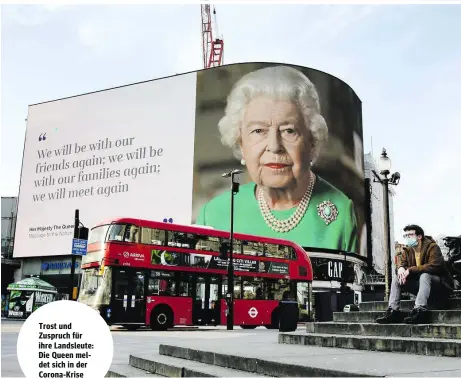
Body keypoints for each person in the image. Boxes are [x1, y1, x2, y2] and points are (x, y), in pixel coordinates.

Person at [196, 65, 358, 252]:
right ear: (241, 143)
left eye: (289, 131)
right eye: (258, 131)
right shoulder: (215, 214)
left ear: (311, 141)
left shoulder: (340, 213)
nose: (274, 146)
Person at [376, 224, 454, 324]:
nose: (408, 238)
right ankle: (393, 311)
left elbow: (435, 266)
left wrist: (411, 270)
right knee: (397, 277)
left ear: (419, 236)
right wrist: (400, 268)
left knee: (425, 275)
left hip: (439, 287)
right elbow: (402, 264)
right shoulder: (407, 251)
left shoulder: (432, 247)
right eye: (406, 235)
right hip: (422, 287)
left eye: (410, 235)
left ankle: (420, 311)